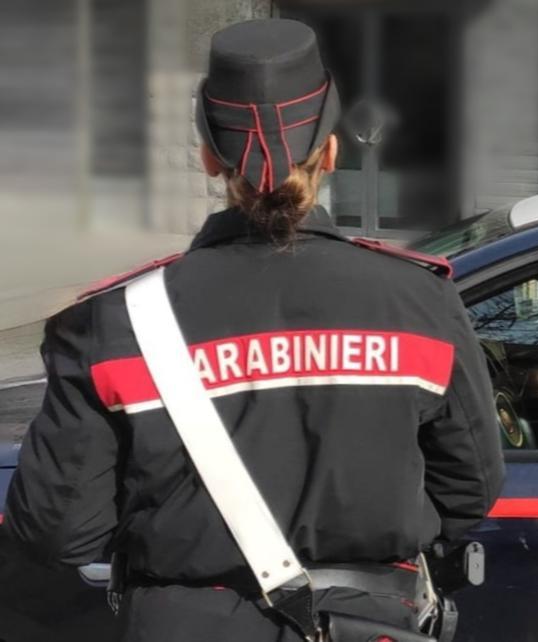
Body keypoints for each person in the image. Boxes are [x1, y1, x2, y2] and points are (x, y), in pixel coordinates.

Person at [5, 18, 504, 642]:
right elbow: (471, 492)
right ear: (331, 150)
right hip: (369, 623)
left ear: (209, 157)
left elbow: (58, 530)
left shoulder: (113, 320)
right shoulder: (419, 299)